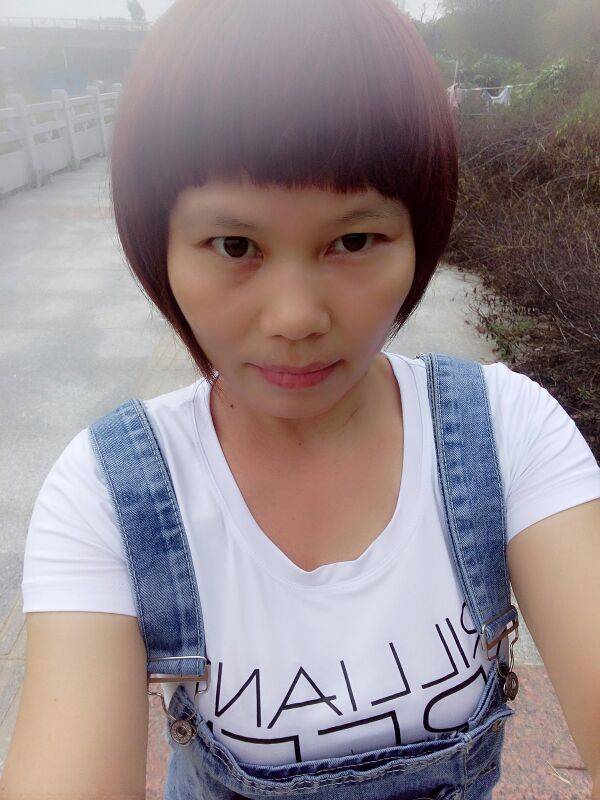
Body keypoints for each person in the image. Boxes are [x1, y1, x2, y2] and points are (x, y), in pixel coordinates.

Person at [2, 0, 600, 798]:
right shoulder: (111, 495)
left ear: (418, 237)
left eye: (353, 241)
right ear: (161, 247)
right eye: (235, 246)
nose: (295, 319)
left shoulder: (507, 433)